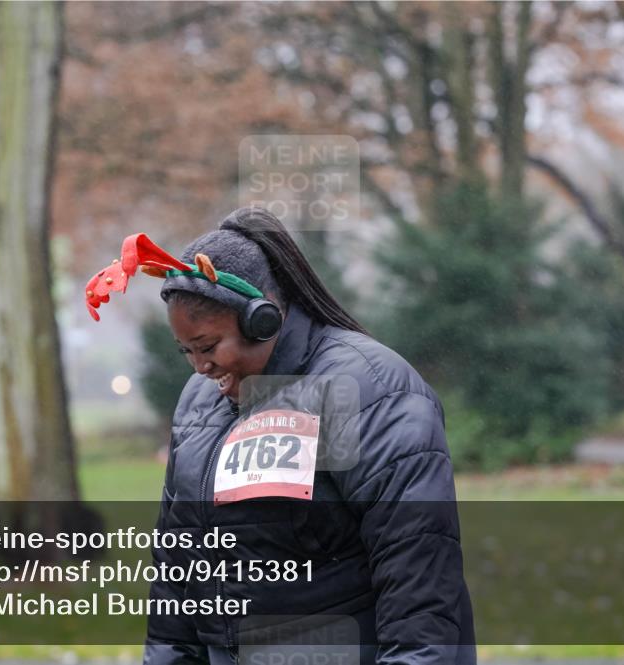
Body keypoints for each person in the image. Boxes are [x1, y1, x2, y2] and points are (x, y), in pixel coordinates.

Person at [86, 207, 476, 665]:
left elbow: (418, 579)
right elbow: (177, 571)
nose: (199, 367)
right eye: (186, 352)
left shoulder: (370, 389)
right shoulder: (199, 401)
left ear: (262, 320)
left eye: (208, 347)